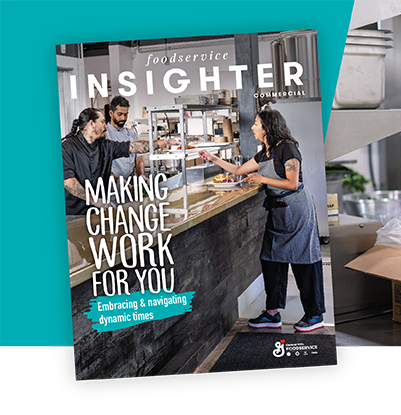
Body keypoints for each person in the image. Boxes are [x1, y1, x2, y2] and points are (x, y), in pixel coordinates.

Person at [199, 108, 325, 332]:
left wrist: (261, 178)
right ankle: (272, 313)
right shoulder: (265, 153)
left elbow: (292, 183)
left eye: (256, 123)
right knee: (270, 259)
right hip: (278, 213)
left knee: (304, 261)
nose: (252, 127)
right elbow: (239, 169)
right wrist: (213, 158)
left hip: (297, 212)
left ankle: (314, 315)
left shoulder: (287, 148)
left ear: (268, 127)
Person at [62, 108, 174, 215]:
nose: (106, 126)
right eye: (102, 122)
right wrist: (93, 199)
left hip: (98, 212)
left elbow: (134, 147)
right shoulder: (66, 147)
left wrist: (165, 142)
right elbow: (68, 182)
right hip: (74, 214)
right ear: (91, 124)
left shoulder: (106, 146)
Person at [105, 96, 144, 178]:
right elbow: (101, 167)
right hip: (112, 183)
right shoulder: (104, 134)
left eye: (126, 114)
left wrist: (141, 176)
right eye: (119, 114)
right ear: (111, 113)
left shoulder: (132, 133)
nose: (123, 118)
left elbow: (139, 161)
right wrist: (117, 180)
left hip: (130, 181)